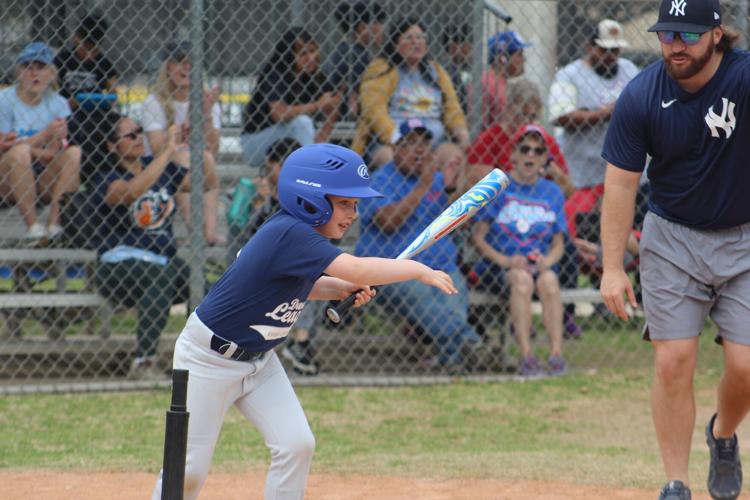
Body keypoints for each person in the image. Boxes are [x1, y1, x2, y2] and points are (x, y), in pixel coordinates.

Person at [150, 143, 458, 499]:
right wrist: (416, 269)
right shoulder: (290, 233)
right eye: (344, 203)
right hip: (208, 359)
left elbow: (302, 286)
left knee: (296, 444)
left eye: (355, 205)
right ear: (309, 198)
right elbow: (357, 267)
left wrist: (340, 289)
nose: (353, 214)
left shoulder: (298, 237)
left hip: (259, 360)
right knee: (188, 469)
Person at [599, 0, 748, 498]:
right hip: (672, 239)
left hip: (744, 237)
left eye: (686, 35)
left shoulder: (745, 80)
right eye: (667, 34)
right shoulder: (642, 94)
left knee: (747, 365)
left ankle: (723, 434)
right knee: (673, 361)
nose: (674, 45)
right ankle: (676, 483)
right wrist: (612, 267)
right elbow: (619, 186)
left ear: (717, 35)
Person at [356, 118, 484, 370]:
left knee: (453, 294)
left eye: (424, 144)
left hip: (441, 264)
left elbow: (457, 223)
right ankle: (471, 343)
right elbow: (388, 222)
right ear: (394, 150)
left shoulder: (436, 179)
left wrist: (449, 188)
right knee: (422, 296)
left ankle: (454, 362)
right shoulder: (379, 180)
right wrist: (424, 186)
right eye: (410, 144)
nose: (418, 150)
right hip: (392, 270)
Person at [94, 114, 190, 379]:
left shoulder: (156, 166)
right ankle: (143, 362)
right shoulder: (106, 176)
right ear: (112, 146)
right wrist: (167, 153)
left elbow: (208, 181)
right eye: (130, 135)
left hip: (162, 261)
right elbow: (129, 192)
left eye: (139, 132)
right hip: (118, 265)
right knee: (161, 274)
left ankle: (208, 357)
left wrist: (194, 144)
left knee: (199, 278)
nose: (138, 138)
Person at [472, 125, 567, 376]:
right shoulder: (498, 187)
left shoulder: (552, 192)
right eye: (524, 149)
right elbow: (478, 238)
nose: (531, 155)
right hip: (500, 267)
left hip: (538, 263)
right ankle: (527, 356)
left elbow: (559, 243)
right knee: (522, 279)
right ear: (513, 155)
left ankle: (556, 354)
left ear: (546, 158)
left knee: (549, 280)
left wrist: (547, 261)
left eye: (538, 151)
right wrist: (506, 261)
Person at [226, 137, 322, 375]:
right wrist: (258, 202)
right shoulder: (257, 193)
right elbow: (241, 234)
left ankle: (300, 342)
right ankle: (297, 344)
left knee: (310, 276)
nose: (270, 173)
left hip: (293, 265)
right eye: (271, 168)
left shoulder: (307, 201)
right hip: (253, 267)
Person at [548, 19, 638, 230]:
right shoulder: (569, 75)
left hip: (627, 174)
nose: (610, 56)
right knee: (587, 235)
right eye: (604, 50)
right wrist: (603, 114)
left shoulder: (629, 69)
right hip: (584, 176)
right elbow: (561, 116)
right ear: (590, 47)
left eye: (615, 50)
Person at [352, 18, 469, 168]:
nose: (416, 42)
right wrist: (400, 141)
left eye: (421, 38)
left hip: (433, 143)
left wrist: (462, 133)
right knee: (391, 158)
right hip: (394, 142)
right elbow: (374, 111)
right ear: (395, 44)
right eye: (409, 38)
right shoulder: (381, 69)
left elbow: (452, 107)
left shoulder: (436, 71)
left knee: (455, 158)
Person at [141, 41, 224, 245]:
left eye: (191, 63)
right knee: (186, 163)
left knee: (204, 159)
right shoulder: (154, 102)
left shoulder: (205, 100)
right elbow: (158, 148)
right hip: (159, 164)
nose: (186, 68)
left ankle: (209, 233)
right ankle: (196, 231)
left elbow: (214, 148)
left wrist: (206, 116)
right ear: (168, 67)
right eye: (179, 62)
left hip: (197, 163)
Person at [0, 42, 82, 242]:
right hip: (8, 179)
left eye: (41, 67)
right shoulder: (4, 100)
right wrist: (43, 136)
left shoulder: (59, 104)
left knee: (74, 153)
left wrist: (23, 145)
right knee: (19, 155)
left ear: (52, 74)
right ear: (19, 73)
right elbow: (3, 149)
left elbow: (52, 154)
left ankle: (54, 223)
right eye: (28, 67)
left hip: (42, 178)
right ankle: (33, 228)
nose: (34, 73)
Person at [241, 28, 341, 166]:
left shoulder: (313, 75)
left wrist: (324, 134)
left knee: (310, 132)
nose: (311, 58)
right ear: (289, 56)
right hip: (255, 143)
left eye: (312, 51)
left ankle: (308, 171)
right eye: (303, 54)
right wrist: (317, 105)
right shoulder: (276, 73)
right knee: (302, 123)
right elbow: (278, 113)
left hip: (287, 142)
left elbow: (334, 101)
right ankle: (310, 174)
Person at [467, 78, 573, 197]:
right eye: (520, 115)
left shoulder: (544, 141)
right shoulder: (490, 138)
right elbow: (474, 189)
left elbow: (570, 193)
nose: (526, 122)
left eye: (532, 116)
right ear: (507, 110)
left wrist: (553, 171)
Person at [55, 13, 118, 185]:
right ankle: (79, 176)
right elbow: (50, 91)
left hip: (97, 112)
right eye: (86, 49)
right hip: (69, 111)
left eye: (94, 50)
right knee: (75, 128)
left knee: (111, 128)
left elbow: (114, 92)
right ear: (76, 39)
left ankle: (101, 177)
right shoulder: (63, 59)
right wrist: (68, 102)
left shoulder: (103, 62)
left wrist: (105, 99)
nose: (90, 55)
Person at [324, 1, 385, 119]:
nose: (383, 28)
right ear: (362, 27)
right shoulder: (358, 58)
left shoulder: (343, 51)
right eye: (379, 22)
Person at [478, 30, 531, 129]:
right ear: (503, 59)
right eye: (519, 54)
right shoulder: (491, 85)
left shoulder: (497, 82)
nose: (524, 59)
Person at [441, 23, 472, 112]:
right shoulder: (446, 71)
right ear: (454, 46)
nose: (470, 47)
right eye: (467, 43)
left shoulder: (465, 69)